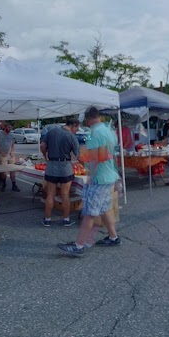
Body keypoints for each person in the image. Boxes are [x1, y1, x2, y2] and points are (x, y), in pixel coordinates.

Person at [61, 107, 122, 256]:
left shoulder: (94, 133)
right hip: (109, 176)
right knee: (104, 208)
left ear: (88, 119)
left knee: (90, 212)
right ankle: (113, 237)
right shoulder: (109, 130)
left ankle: (79, 245)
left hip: (99, 178)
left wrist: (90, 177)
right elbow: (110, 154)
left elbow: (94, 159)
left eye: (86, 121)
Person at [40, 119, 81, 227]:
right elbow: (78, 155)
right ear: (73, 125)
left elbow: (42, 145)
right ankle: (66, 220)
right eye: (77, 128)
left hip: (51, 166)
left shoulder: (52, 131)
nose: (76, 131)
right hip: (65, 167)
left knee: (50, 194)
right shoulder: (71, 136)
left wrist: (45, 156)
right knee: (65, 194)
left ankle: (47, 219)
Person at [0, 121, 21, 192]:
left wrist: (12, 152)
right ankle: (3, 184)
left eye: (11, 127)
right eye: (9, 127)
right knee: (3, 171)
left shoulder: (11, 136)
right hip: (2, 155)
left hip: (10, 155)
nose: (10, 129)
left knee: (12, 170)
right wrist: (1, 152)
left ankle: (14, 185)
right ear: (5, 127)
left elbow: (13, 145)